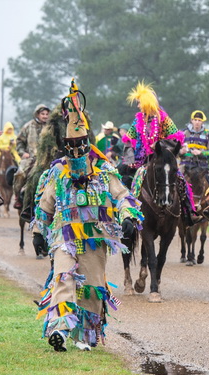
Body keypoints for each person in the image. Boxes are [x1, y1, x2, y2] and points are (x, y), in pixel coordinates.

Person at [34, 79, 143, 352]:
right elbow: (46, 203)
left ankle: (86, 336)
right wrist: (38, 231)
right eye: (70, 144)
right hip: (64, 236)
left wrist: (128, 216)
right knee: (63, 277)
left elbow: (122, 195)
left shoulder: (105, 171)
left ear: (88, 142)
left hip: (95, 237)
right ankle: (58, 328)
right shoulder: (58, 172)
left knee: (93, 288)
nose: (75, 149)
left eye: (80, 143)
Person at [122, 81, 199, 226]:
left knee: (181, 182)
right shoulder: (138, 120)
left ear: (146, 103)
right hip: (143, 161)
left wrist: (158, 145)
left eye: (139, 103)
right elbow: (128, 139)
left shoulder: (164, 118)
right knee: (127, 179)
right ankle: (127, 216)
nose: (138, 106)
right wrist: (129, 160)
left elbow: (177, 138)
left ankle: (189, 213)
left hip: (163, 159)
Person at [13, 104, 51, 209]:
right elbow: (19, 141)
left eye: (47, 114)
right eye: (42, 114)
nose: (45, 116)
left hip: (48, 159)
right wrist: (22, 153)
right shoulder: (28, 126)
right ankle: (18, 198)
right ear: (37, 114)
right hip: (30, 158)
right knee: (19, 174)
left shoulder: (51, 128)